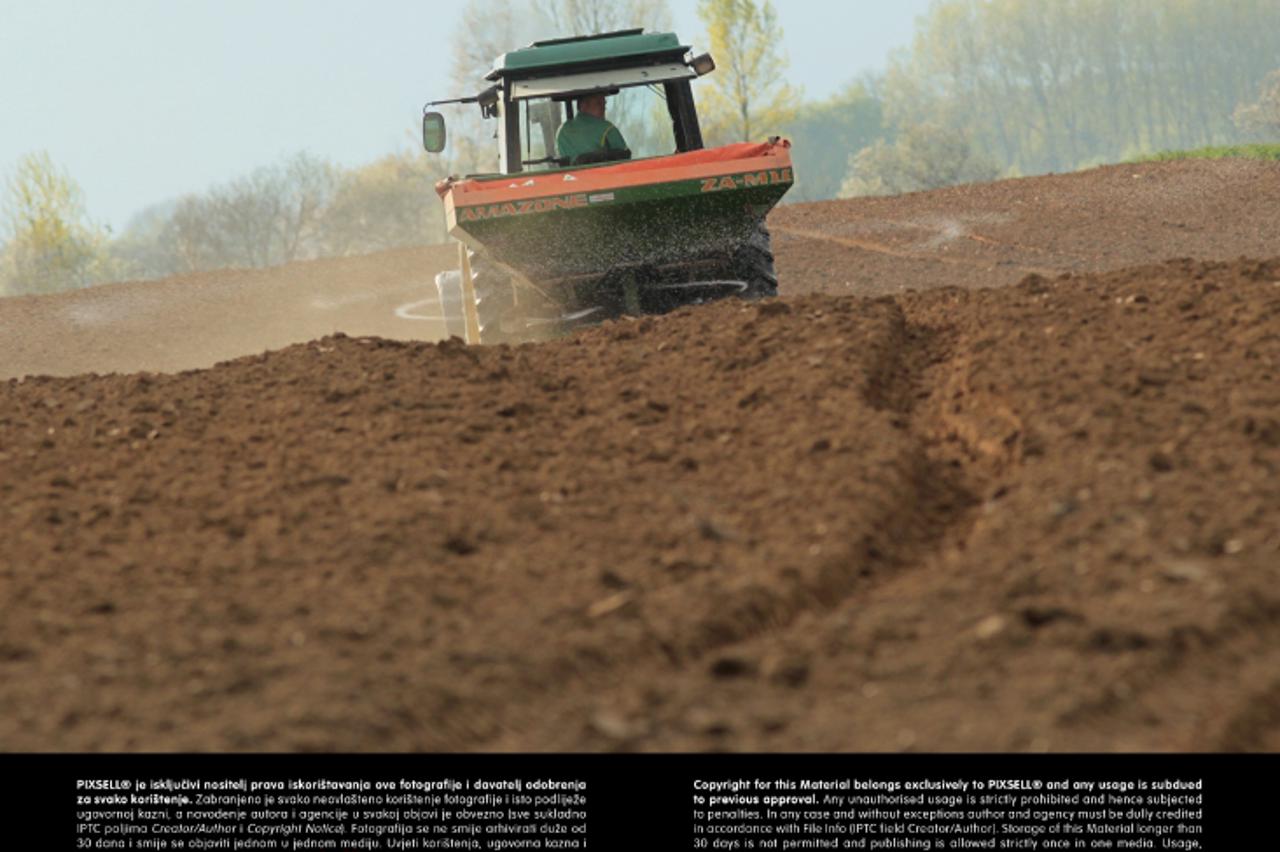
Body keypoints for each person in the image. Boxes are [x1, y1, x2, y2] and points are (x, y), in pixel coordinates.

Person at [556, 93, 630, 165]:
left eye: (604, 104)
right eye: (599, 103)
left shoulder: (562, 131)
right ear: (583, 105)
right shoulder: (607, 128)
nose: (604, 108)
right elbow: (625, 160)